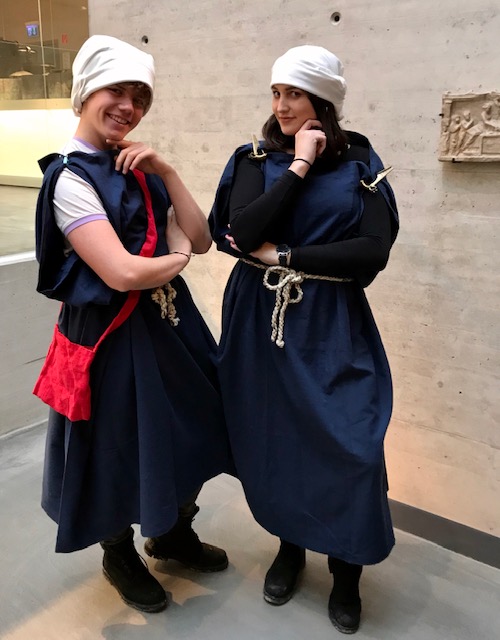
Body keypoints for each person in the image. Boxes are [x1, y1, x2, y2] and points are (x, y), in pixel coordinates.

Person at [34, 35, 232, 613]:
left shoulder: (140, 167)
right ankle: (118, 552)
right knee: (115, 445)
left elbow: (201, 237)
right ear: (84, 93)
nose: (128, 106)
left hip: (171, 327)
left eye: (140, 97)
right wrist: (176, 259)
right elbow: (122, 272)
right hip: (109, 336)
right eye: (115, 91)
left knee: (197, 428)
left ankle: (171, 533)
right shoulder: (69, 179)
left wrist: (166, 169)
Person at [209, 45, 399, 634]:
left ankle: (346, 571)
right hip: (259, 319)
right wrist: (298, 165)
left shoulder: (361, 160)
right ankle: (289, 548)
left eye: (295, 93)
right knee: (276, 439)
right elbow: (241, 232)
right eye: (276, 92)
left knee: (351, 444)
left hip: (330, 319)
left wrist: (289, 255)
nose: (281, 105)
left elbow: (373, 249)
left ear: (324, 100)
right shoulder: (254, 158)